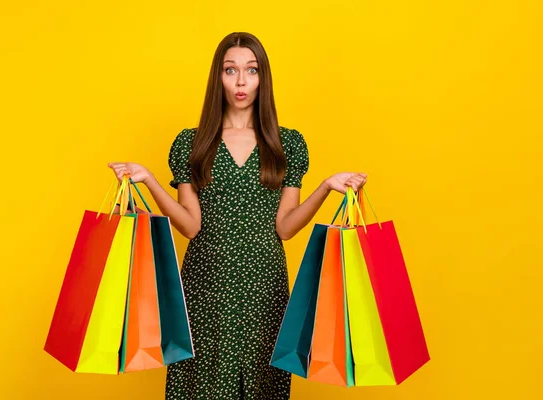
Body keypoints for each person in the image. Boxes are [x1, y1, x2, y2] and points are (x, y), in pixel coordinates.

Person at [108, 32, 366, 400]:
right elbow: (190, 225)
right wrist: (148, 179)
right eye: (231, 71)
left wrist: (325, 187)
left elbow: (285, 226)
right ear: (219, 77)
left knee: (262, 386)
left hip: (265, 288)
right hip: (206, 287)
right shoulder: (193, 143)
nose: (241, 81)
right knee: (200, 387)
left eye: (251, 71)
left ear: (263, 78)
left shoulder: (285, 143)